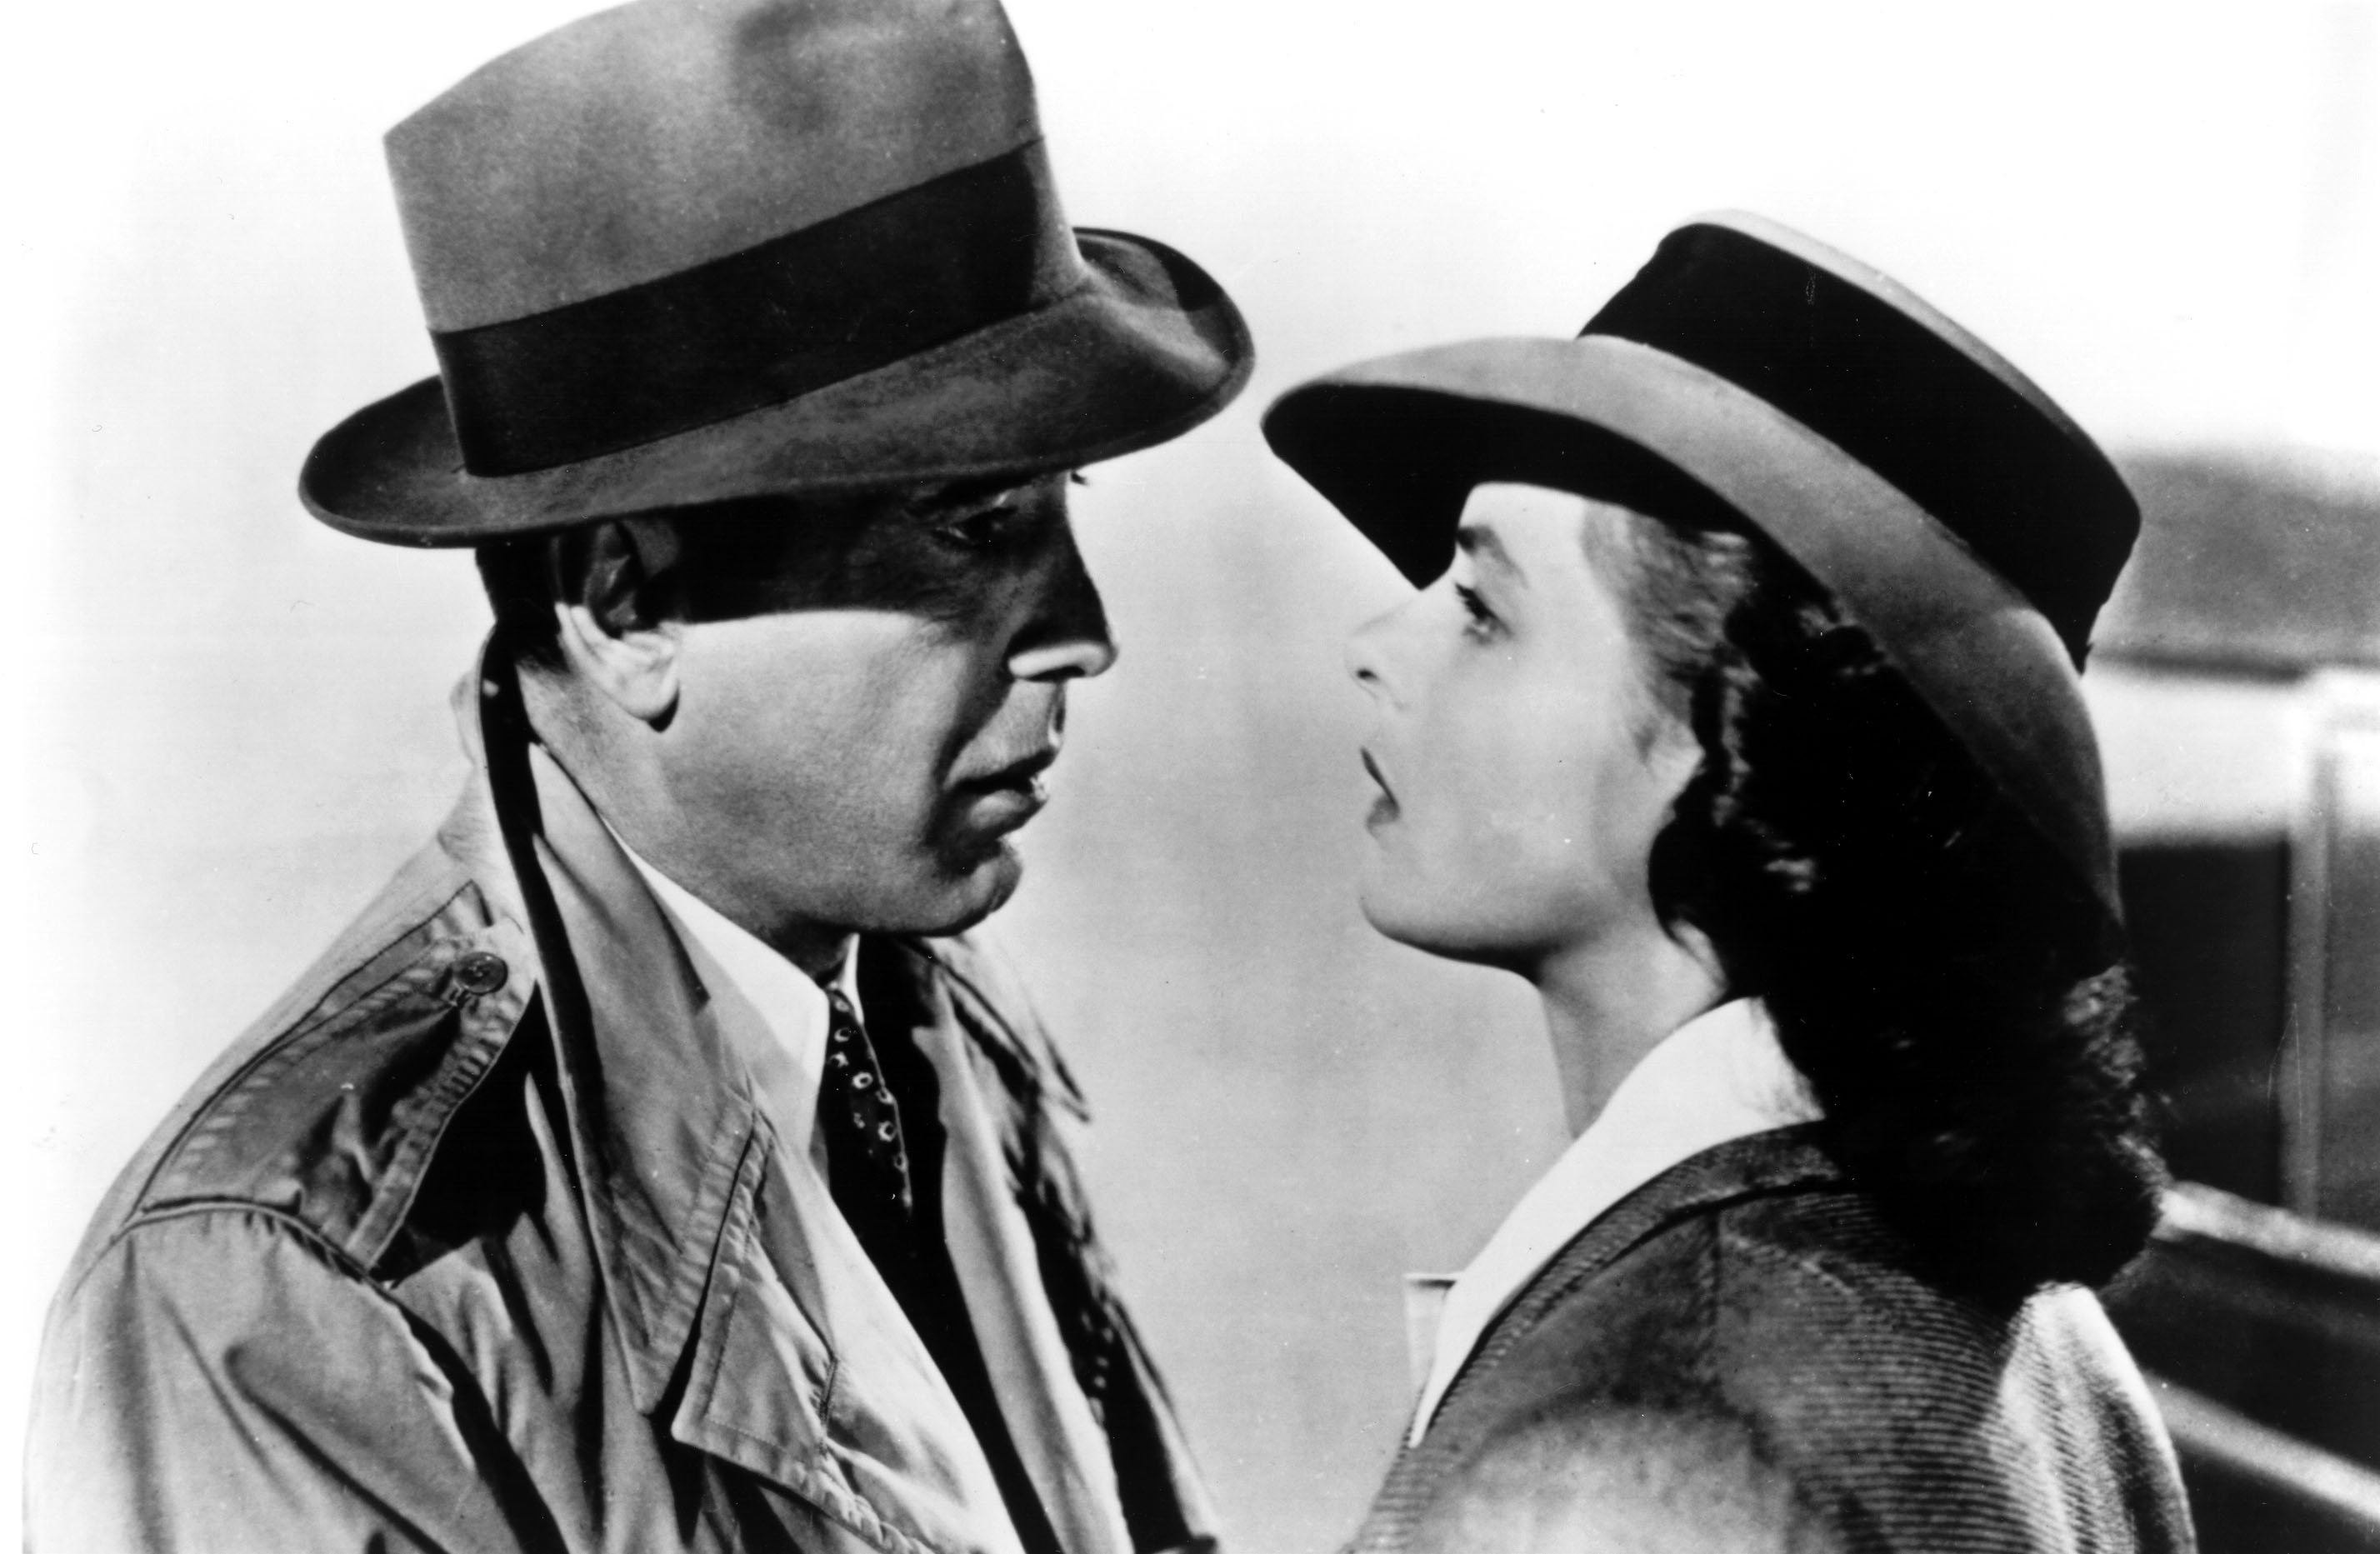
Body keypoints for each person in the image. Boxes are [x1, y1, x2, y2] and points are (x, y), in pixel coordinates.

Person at [28, 1, 1251, 1550]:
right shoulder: (287, 1298)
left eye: (1062, 504)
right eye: (971, 525)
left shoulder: (930, 1040)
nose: (1085, 630)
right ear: (627, 607)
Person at [1263, 215, 2195, 1552]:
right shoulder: (2051, 1344)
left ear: (1736, 736)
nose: (1375, 643)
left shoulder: (1651, 1433)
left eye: (1481, 607)